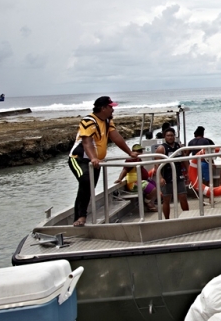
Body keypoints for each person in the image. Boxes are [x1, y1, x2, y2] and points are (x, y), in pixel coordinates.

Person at [68, 96, 140, 227]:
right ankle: (80, 217)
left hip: (96, 162)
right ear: (103, 108)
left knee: (89, 188)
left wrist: (129, 152)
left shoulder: (107, 121)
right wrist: (93, 158)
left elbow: (115, 137)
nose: (113, 109)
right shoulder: (88, 121)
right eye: (111, 107)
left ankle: (79, 217)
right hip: (79, 160)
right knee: (85, 180)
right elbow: (86, 141)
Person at [155, 128, 189, 219]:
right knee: (166, 199)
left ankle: (187, 216)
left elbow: (185, 160)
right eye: (168, 136)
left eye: (172, 135)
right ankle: (167, 219)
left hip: (178, 175)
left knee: (183, 196)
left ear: (174, 136)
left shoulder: (179, 146)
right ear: (164, 137)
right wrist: (160, 177)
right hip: (166, 176)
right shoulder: (161, 148)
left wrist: (189, 173)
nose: (170, 137)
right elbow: (156, 164)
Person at [115, 144, 158, 212]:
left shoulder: (138, 159)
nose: (140, 153)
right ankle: (147, 202)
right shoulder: (130, 160)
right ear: (133, 152)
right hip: (133, 184)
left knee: (155, 184)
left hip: (142, 180)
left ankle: (150, 202)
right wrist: (120, 179)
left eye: (140, 151)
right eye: (138, 151)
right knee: (153, 189)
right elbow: (125, 170)